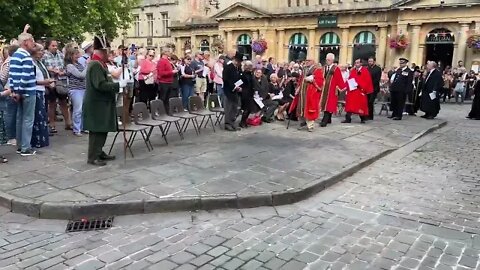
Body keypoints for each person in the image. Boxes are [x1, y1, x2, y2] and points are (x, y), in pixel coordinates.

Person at [83, 35, 127, 166]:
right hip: (97, 104)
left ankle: (99, 151)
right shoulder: (95, 65)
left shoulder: (101, 64)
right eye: (106, 51)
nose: (108, 53)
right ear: (101, 52)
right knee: (96, 130)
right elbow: (100, 85)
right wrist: (118, 85)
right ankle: (93, 156)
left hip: (102, 103)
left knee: (102, 129)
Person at [9, 33, 37, 156]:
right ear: (26, 42)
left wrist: (14, 91)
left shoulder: (15, 55)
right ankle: (26, 147)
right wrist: (20, 91)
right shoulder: (26, 56)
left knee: (20, 119)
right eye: (32, 41)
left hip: (17, 92)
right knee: (28, 119)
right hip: (28, 92)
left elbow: (12, 75)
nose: (33, 43)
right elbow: (25, 76)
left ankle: (20, 146)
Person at [42, 39, 72, 133]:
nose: (55, 47)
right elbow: (43, 67)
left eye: (56, 45)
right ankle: (52, 124)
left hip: (61, 81)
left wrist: (62, 71)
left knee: (63, 102)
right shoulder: (44, 55)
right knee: (52, 103)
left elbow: (65, 65)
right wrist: (51, 70)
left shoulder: (60, 54)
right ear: (48, 46)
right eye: (53, 45)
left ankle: (68, 123)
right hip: (51, 82)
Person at [31, 43, 52, 148]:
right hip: (36, 90)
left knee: (43, 115)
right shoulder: (31, 62)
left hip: (42, 90)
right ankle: (37, 140)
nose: (42, 52)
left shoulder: (39, 62)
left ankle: (42, 139)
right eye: (40, 50)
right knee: (38, 116)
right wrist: (45, 82)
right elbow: (32, 80)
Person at [296, 58, 324, 131]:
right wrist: (298, 87)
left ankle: (310, 125)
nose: (307, 62)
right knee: (301, 107)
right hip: (302, 92)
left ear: (313, 62)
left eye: (309, 61)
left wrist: (312, 80)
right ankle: (302, 122)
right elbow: (301, 79)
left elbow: (320, 80)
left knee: (310, 108)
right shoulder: (304, 69)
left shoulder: (317, 70)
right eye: (306, 60)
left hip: (311, 92)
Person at [342, 58, 373, 124]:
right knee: (350, 104)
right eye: (355, 63)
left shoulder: (365, 71)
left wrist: (359, 84)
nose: (356, 64)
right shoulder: (353, 70)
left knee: (360, 105)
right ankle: (348, 118)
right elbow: (350, 79)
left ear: (361, 63)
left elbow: (367, 81)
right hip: (352, 91)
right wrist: (345, 86)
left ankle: (362, 118)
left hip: (360, 91)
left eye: (358, 63)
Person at [65, 46, 87, 136]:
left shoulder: (79, 64)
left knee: (83, 110)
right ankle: (76, 129)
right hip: (75, 89)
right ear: (71, 56)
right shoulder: (70, 66)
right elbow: (81, 75)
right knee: (77, 110)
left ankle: (83, 127)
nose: (78, 56)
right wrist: (87, 66)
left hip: (83, 88)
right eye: (75, 54)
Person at [319, 53, 346, 127]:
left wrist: (340, 87)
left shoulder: (336, 68)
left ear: (332, 60)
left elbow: (339, 79)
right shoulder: (324, 68)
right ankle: (328, 119)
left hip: (332, 89)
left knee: (329, 105)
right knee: (325, 104)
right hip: (324, 89)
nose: (327, 61)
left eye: (329, 59)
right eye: (327, 59)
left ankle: (324, 120)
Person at [1, 45, 19, 146]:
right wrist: (4, 90)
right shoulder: (9, 63)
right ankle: (10, 137)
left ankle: (13, 136)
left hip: (12, 91)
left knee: (13, 114)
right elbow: (2, 78)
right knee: (10, 115)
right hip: (9, 92)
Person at [222, 51, 243, 131]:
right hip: (228, 91)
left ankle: (232, 122)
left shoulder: (237, 68)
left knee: (235, 108)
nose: (239, 63)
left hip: (235, 91)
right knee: (229, 108)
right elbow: (226, 79)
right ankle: (227, 124)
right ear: (236, 60)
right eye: (239, 61)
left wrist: (240, 85)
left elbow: (238, 78)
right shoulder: (228, 67)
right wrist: (235, 86)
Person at [239, 61, 255, 128]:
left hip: (250, 92)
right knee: (246, 108)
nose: (249, 67)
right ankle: (242, 122)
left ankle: (244, 121)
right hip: (245, 92)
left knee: (249, 109)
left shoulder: (251, 74)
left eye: (250, 66)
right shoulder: (242, 74)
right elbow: (239, 82)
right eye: (248, 66)